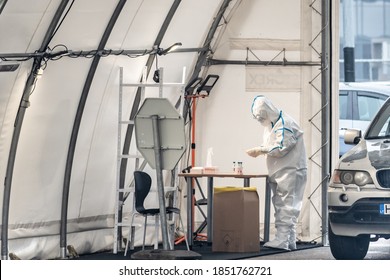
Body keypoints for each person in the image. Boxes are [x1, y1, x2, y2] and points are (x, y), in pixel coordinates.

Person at [246, 95, 307, 250]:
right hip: (282, 171)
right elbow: (272, 143)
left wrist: (260, 150)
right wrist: (262, 148)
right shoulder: (273, 125)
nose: (260, 121)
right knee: (284, 204)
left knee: (287, 205)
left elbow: (281, 147)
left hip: (290, 170)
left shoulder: (285, 124)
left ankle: (282, 240)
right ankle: (289, 239)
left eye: (261, 117)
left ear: (268, 111)